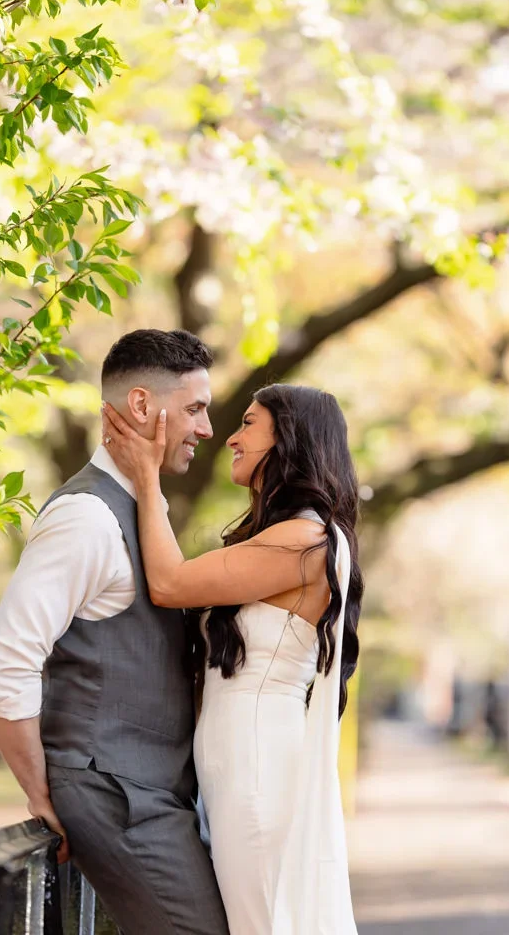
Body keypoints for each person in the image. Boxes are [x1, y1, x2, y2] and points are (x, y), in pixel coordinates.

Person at [0, 329, 229, 935]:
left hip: (150, 797)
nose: (207, 429)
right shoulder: (85, 517)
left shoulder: (141, 509)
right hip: (113, 796)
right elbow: (6, 661)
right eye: (194, 408)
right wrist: (41, 794)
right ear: (142, 406)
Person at [101, 382, 363, 935]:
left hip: (259, 765)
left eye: (247, 423)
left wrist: (147, 477)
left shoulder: (303, 541)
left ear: (286, 438)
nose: (231, 437)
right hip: (236, 759)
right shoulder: (279, 536)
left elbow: (170, 583)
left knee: (264, 921)